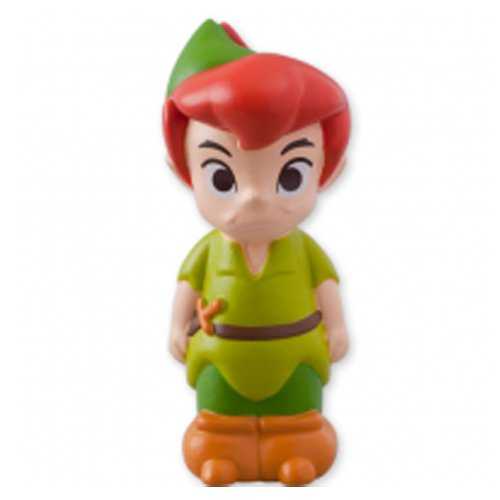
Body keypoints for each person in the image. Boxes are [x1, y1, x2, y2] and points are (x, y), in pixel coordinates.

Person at [163, 19, 350, 486]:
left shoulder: (304, 251)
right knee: (218, 415)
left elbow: (326, 286)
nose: (254, 198)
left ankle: (295, 448)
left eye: (290, 176)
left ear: (327, 170)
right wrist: (177, 327)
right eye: (223, 178)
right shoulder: (207, 252)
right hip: (222, 355)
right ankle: (223, 450)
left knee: (298, 412)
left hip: (295, 352)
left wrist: (337, 326)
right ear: (184, 169)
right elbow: (187, 288)